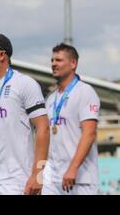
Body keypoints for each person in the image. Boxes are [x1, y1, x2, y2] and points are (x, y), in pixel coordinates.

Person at [0, 33, 50, 195]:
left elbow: (43, 129)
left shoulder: (25, 84)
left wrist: (38, 176)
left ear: (1, 55)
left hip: (15, 182)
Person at [42, 43, 100, 195]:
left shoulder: (85, 92)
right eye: (52, 60)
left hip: (80, 178)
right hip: (52, 179)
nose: (53, 64)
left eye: (59, 60)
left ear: (73, 63)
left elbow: (90, 133)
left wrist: (73, 168)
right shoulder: (51, 98)